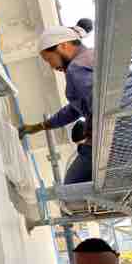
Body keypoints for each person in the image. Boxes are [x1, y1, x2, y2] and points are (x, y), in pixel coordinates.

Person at [18, 18, 94, 184]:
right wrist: (41, 126)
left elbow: (96, 104)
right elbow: (74, 109)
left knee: (71, 189)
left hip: (114, 138)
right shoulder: (91, 57)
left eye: (49, 59)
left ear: (63, 46)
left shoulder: (76, 68)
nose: (52, 66)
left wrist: (89, 137)